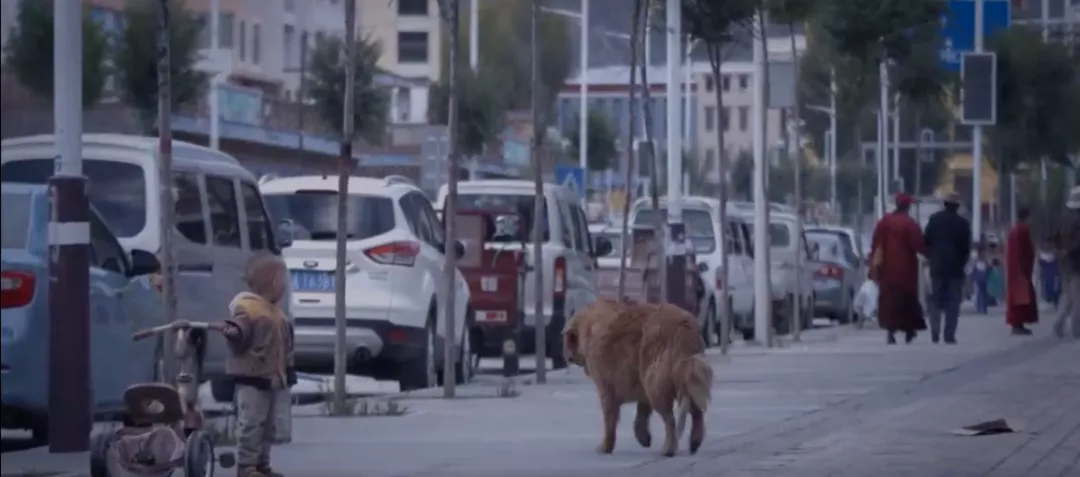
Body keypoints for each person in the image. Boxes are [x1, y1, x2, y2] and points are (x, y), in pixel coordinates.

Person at [223, 253, 295, 477]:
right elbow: (239, 328)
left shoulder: (277, 313)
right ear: (273, 281)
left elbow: (286, 345)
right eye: (284, 280)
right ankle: (246, 466)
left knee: (267, 425)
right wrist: (234, 333)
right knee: (252, 422)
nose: (286, 286)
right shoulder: (248, 308)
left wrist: (289, 370)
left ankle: (262, 464)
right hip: (252, 378)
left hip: (272, 378)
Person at [869, 193, 927, 344]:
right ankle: (908, 330)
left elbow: (875, 244)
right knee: (907, 300)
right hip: (906, 270)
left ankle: (890, 331)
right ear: (907, 207)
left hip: (887, 270)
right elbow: (919, 244)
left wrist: (874, 265)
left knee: (889, 300)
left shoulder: (885, 222)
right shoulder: (909, 223)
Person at [923, 193, 972, 344]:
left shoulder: (934, 220)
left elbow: (926, 240)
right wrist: (962, 263)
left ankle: (935, 331)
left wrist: (931, 257)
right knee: (953, 302)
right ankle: (949, 334)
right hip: (955, 269)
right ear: (957, 207)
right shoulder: (963, 223)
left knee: (935, 301)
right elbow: (966, 248)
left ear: (944, 205)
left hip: (937, 267)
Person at [1049, 186, 1080, 339]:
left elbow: (1054, 236)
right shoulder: (1078, 219)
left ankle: (1058, 324)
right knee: (1078, 298)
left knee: (1068, 297)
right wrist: (1068, 250)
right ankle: (1076, 329)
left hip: (1065, 263)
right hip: (1076, 264)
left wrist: (1060, 250)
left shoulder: (1065, 217)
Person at [1005, 207, 1039, 335]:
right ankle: (1017, 324)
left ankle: (1019, 323)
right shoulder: (1021, 230)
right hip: (1020, 271)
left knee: (1020, 298)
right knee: (1019, 299)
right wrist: (1021, 270)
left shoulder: (1016, 230)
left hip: (1019, 270)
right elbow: (1019, 252)